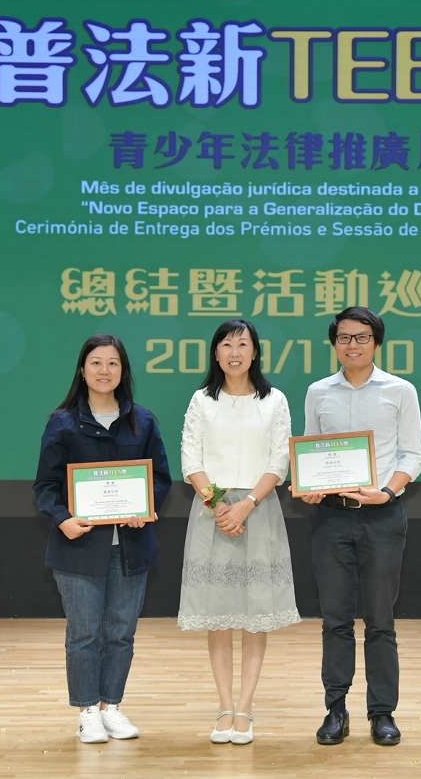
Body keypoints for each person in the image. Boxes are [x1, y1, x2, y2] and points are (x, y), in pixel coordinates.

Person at [33, 333, 171, 745]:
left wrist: (145, 506)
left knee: (121, 633)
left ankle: (111, 706)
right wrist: (63, 520)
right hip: (79, 547)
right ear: (82, 370)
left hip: (131, 547)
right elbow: (45, 486)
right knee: (84, 635)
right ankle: (87, 711)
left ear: (123, 371)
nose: (104, 370)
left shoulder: (142, 421)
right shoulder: (62, 423)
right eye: (96, 362)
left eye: (113, 363)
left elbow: (160, 478)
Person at [301, 306, 421, 746]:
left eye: (362, 337)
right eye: (344, 337)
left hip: (382, 516)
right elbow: (311, 450)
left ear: (376, 342)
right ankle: (335, 709)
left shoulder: (400, 391)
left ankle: (382, 712)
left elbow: (414, 454)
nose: (352, 345)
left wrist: (388, 492)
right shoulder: (318, 392)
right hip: (330, 518)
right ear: (334, 343)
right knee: (334, 619)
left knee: (380, 620)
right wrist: (309, 486)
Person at [178, 319, 301, 745]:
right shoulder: (202, 400)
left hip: (258, 510)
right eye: (226, 345)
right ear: (215, 353)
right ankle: (224, 707)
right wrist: (218, 505)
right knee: (218, 617)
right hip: (211, 512)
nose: (234, 353)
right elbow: (190, 458)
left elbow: (279, 461)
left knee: (254, 616)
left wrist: (247, 504)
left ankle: (245, 708)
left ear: (255, 353)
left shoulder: (274, 400)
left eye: (242, 345)